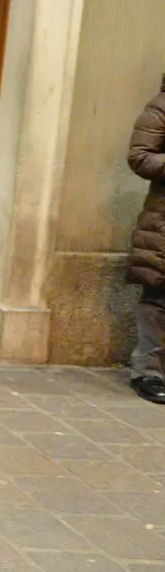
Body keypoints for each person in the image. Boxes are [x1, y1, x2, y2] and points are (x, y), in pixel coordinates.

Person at [127, 75, 165, 404]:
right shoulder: (160, 107)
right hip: (163, 221)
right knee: (158, 295)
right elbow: (139, 156)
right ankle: (147, 372)